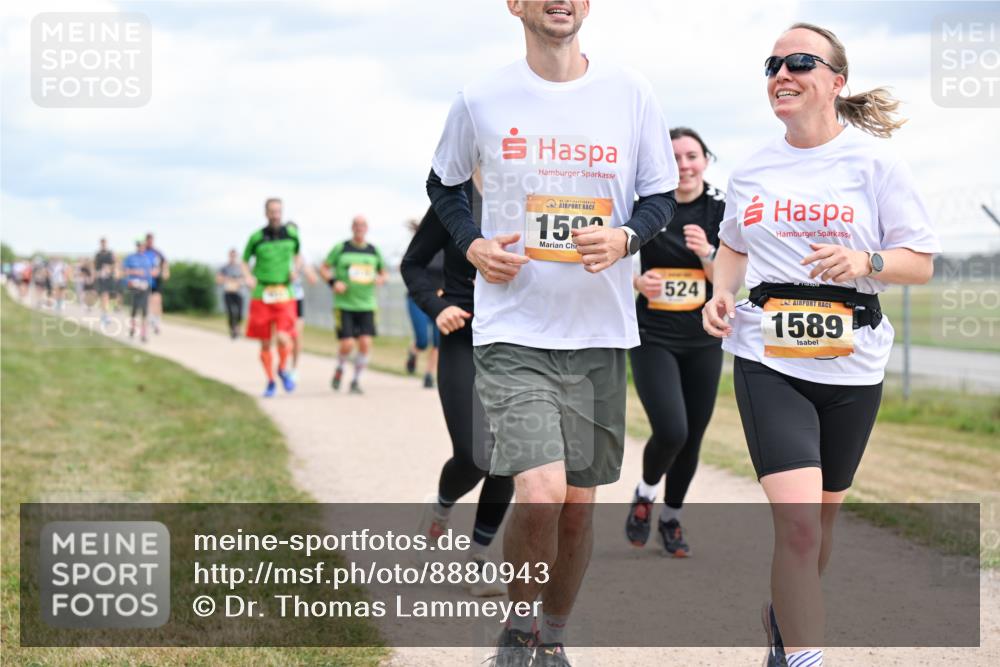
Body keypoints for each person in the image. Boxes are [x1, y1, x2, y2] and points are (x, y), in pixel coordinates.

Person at [426, 2, 678, 664]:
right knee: (541, 491)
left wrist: (626, 236)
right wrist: (474, 244)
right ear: (515, 4)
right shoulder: (482, 96)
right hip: (514, 327)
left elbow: (659, 196)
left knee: (577, 509)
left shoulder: (631, 92)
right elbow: (443, 184)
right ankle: (517, 631)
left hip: (598, 332)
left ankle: (554, 636)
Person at [702, 23, 940, 667]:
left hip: (853, 365)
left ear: (836, 82)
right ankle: (804, 658)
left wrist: (865, 259)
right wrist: (721, 291)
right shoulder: (751, 168)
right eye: (773, 64)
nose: (783, 72)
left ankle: (785, 622)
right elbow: (733, 247)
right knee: (800, 524)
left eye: (801, 61)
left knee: (821, 526)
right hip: (767, 358)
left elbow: (918, 263)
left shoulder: (875, 163)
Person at [402, 175, 514, 598]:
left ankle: (479, 558)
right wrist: (438, 306)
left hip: (519, 340)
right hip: (463, 336)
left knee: (508, 455)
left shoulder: (533, 190)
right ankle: (440, 507)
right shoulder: (458, 200)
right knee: (472, 455)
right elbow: (413, 264)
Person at [624, 127, 726, 558]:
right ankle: (646, 495)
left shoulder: (721, 210)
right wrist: (636, 281)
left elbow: (732, 281)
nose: (684, 166)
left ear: (705, 159)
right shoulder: (648, 207)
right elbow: (614, 259)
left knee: (694, 436)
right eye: (675, 158)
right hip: (653, 336)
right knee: (672, 429)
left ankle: (671, 518)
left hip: (703, 339)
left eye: (692, 156)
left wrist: (707, 253)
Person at [242, 197, 302, 397]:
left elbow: (298, 256)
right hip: (262, 294)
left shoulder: (292, 235)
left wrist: (296, 270)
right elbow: (244, 261)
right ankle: (270, 381)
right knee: (265, 342)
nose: (276, 215)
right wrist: (248, 277)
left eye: (279, 211)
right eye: (272, 212)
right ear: (266, 213)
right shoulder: (257, 237)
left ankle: (282, 369)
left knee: (285, 338)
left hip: (284, 293)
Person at [321, 215, 387, 395]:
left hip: (367, 305)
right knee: (348, 344)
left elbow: (383, 273)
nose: (359, 228)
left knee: (365, 343)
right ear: (351, 228)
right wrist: (334, 282)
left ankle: (356, 380)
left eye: (363, 225)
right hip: (344, 305)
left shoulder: (374, 251)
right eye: (356, 225)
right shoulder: (341, 248)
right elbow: (324, 268)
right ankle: (340, 367)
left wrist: (381, 279)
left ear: (367, 228)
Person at [404, 218, 441, 389]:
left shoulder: (448, 248)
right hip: (417, 298)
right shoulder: (418, 248)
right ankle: (413, 351)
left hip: (441, 299)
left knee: (438, 340)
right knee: (422, 340)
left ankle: (428, 375)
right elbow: (408, 269)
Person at [285, 221, 318, 381]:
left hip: (297, 298)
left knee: (296, 335)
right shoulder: (278, 253)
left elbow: (313, 279)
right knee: (282, 336)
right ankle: (283, 364)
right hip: (282, 299)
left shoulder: (302, 256)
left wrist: (303, 268)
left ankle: (294, 368)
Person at [123, 238, 155, 342]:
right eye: (139, 245)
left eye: (142, 245)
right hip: (134, 285)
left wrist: (150, 282)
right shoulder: (130, 258)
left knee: (145, 310)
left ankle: (143, 334)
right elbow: (125, 271)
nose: (141, 247)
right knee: (135, 308)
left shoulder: (148, 258)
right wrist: (134, 272)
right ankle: (132, 329)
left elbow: (151, 272)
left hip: (145, 286)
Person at [217, 248, 245, 339]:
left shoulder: (240, 268)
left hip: (239, 293)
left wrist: (238, 281)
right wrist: (228, 280)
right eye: (231, 255)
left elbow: (245, 279)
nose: (233, 257)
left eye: (234, 255)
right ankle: (232, 329)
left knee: (240, 313)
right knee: (230, 312)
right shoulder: (224, 267)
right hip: (228, 293)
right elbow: (218, 279)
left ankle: (238, 328)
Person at [144, 232, 168, 334]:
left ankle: (157, 322)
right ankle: (151, 319)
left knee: (157, 300)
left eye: (151, 240)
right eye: (148, 240)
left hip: (156, 280)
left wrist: (165, 272)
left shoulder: (157, 252)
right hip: (145, 280)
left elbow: (165, 262)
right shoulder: (143, 252)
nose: (150, 242)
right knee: (148, 301)